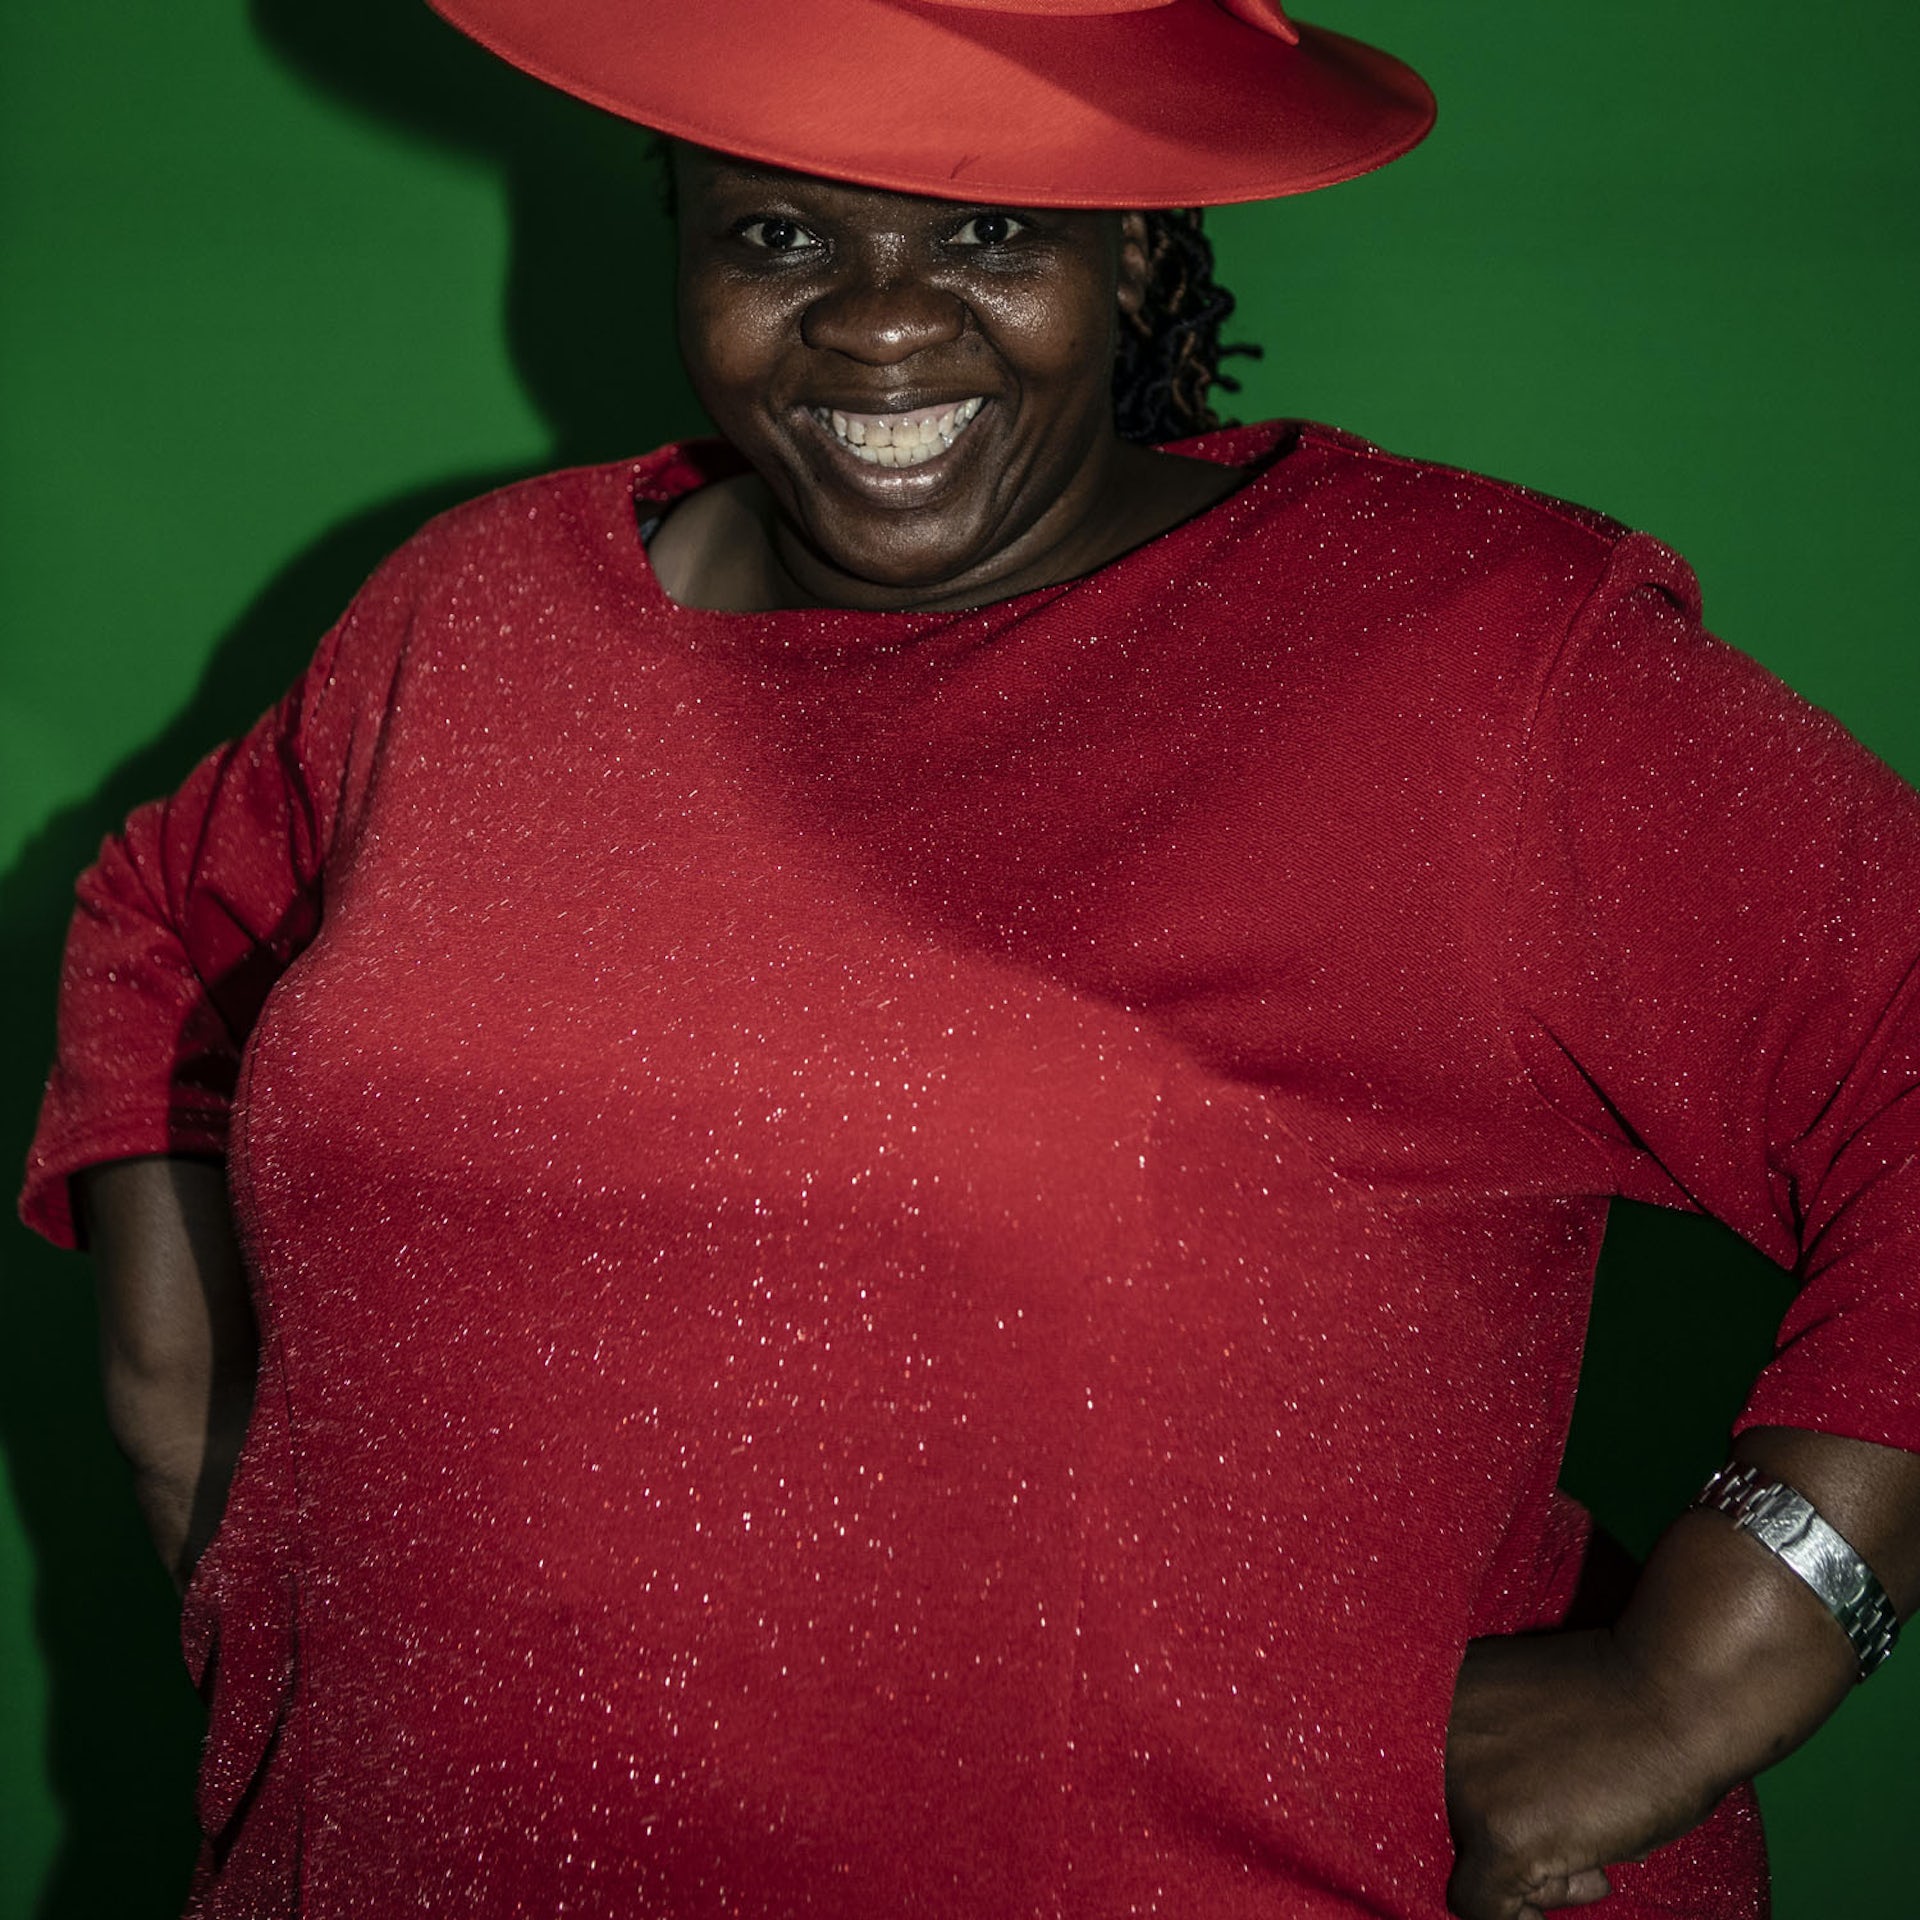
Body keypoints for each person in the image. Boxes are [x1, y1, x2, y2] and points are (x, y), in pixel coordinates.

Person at [18, 2, 1920, 1917]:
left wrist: (1723, 1655)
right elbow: (166, 917)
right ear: (675, 226)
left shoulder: (1465, 664)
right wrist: (220, 1495)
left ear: (1145, 250)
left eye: (991, 231)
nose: (881, 319)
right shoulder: (477, 614)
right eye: (780, 234)